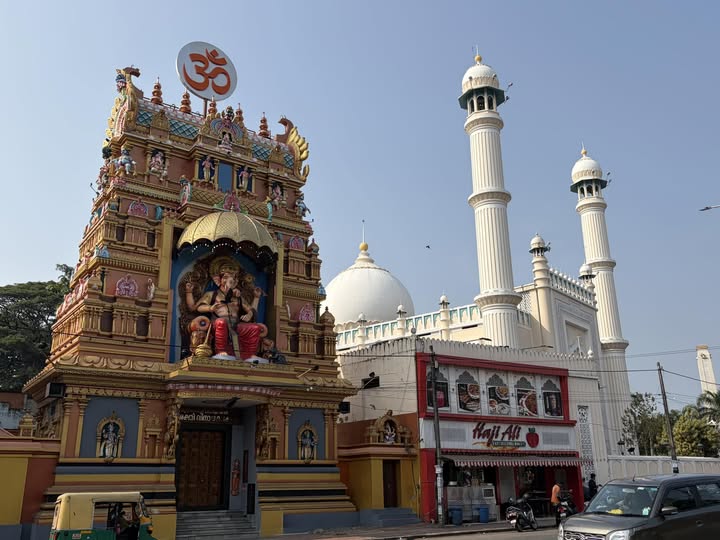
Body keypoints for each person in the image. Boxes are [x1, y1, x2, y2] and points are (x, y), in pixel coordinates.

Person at [185, 267, 267, 360]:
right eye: (225, 277)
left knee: (254, 327)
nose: (228, 280)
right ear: (218, 280)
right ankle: (221, 352)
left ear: (235, 282)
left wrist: (249, 314)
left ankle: (250, 355)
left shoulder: (238, 297)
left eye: (231, 278)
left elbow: (251, 310)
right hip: (217, 323)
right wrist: (210, 308)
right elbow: (198, 307)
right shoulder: (212, 294)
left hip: (235, 324)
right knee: (221, 322)